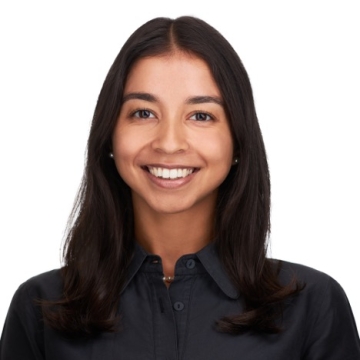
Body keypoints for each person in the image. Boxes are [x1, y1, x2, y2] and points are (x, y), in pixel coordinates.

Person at [1, 16, 359, 360]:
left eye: (201, 115)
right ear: (110, 135)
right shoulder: (41, 309)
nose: (169, 143)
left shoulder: (312, 305)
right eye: (143, 113)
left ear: (237, 141)